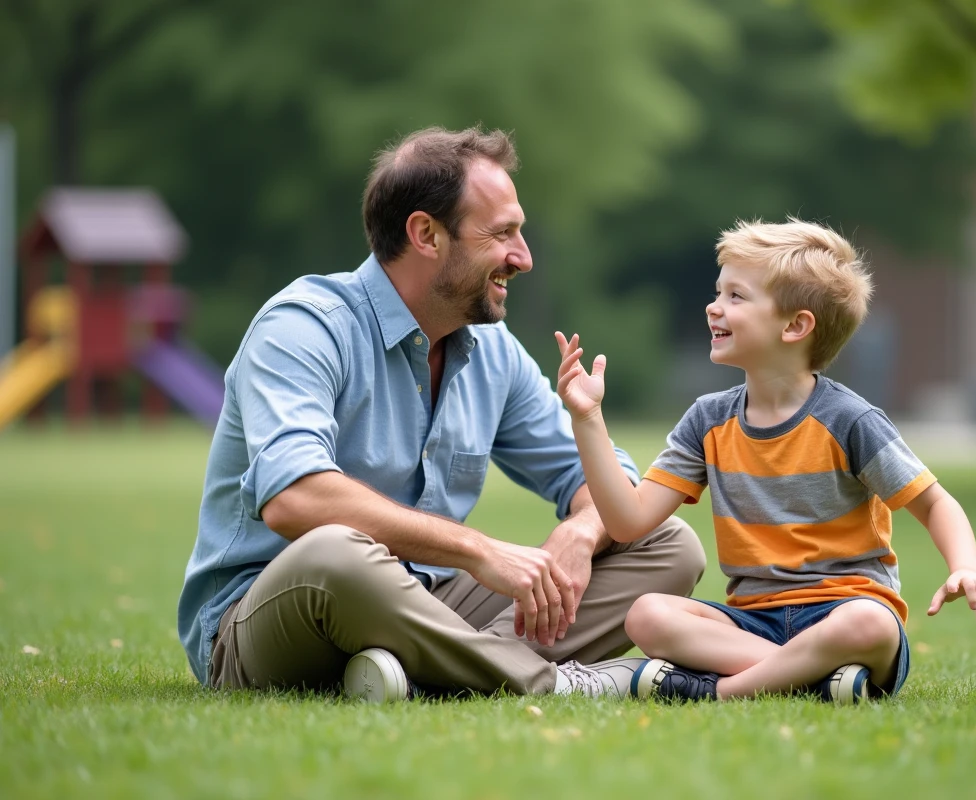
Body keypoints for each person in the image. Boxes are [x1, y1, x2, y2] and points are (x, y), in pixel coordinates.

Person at [177, 126, 706, 701]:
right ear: (426, 234)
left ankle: (430, 674)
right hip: (274, 614)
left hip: (426, 603)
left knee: (666, 543)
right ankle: (542, 681)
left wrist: (583, 529)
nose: (522, 258)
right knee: (335, 551)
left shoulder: (491, 351)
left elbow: (601, 482)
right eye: (501, 233)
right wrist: (479, 550)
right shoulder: (303, 327)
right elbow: (296, 498)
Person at [554, 217, 976, 703]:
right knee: (647, 614)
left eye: (735, 296)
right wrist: (588, 419)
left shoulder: (850, 420)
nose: (714, 306)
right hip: (751, 621)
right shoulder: (707, 421)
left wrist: (967, 567)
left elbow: (934, 503)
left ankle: (721, 692)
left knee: (871, 624)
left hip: (843, 612)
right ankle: (813, 678)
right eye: (718, 292)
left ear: (795, 325)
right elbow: (628, 522)